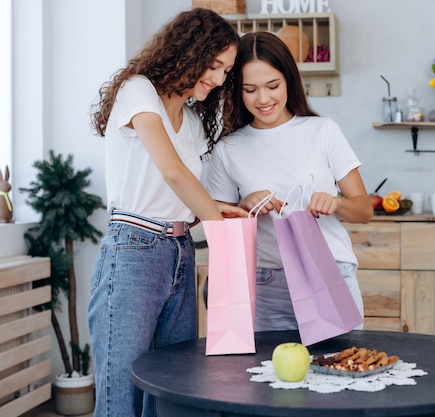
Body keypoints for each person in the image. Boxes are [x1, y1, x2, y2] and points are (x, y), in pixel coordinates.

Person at [88, 8, 246, 417]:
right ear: (188, 52)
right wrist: (218, 226)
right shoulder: (138, 91)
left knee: (170, 386)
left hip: (181, 248)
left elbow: (183, 196)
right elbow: (172, 172)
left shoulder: (192, 120)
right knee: (122, 390)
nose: (217, 78)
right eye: (213, 65)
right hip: (134, 250)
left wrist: (219, 211)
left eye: (226, 72)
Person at [204, 31, 373, 332]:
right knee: (268, 376)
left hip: (329, 272)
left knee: (338, 373)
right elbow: (219, 223)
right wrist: (245, 206)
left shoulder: (323, 132)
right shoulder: (228, 149)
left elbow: (364, 211)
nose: (264, 99)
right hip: (265, 283)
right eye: (250, 89)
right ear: (237, 92)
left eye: (273, 86)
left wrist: (336, 204)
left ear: (289, 81)